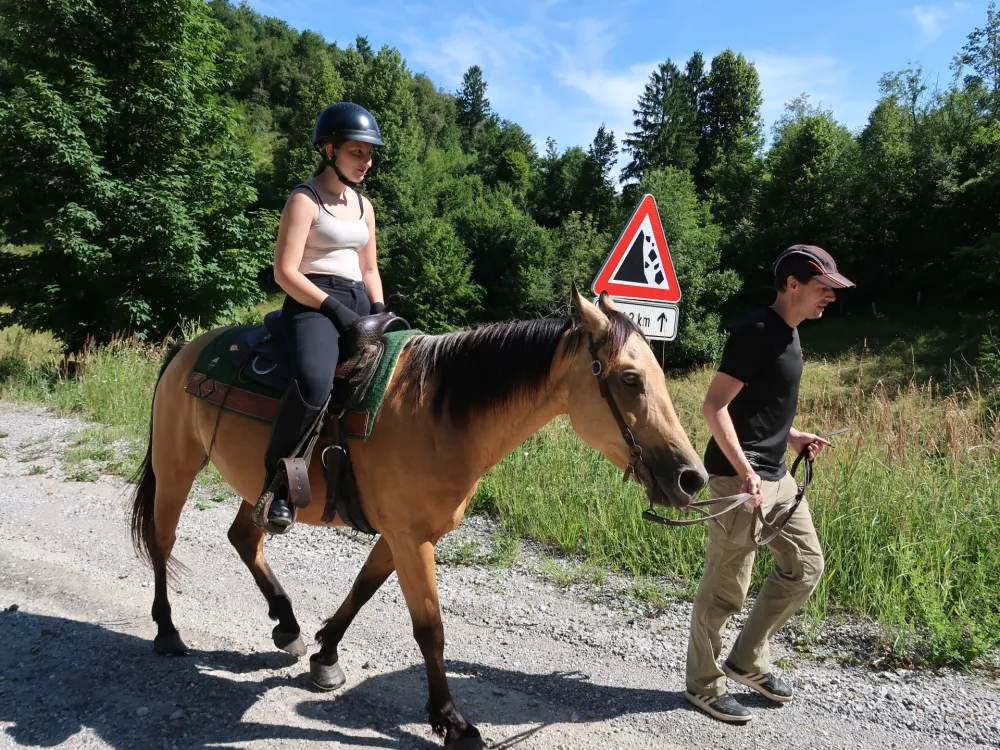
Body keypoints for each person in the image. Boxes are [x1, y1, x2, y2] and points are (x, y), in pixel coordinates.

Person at [684, 245, 856, 722]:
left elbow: (757, 405)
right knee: (726, 588)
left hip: (777, 475)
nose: (830, 297)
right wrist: (744, 471)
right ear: (792, 285)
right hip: (739, 481)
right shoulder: (757, 331)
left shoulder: (790, 333)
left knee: (806, 565)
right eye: (823, 288)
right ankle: (702, 684)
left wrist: (793, 436)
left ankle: (746, 660)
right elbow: (714, 406)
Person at [260, 102, 387, 529]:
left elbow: (369, 269)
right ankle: (277, 485)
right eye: (357, 152)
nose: (366, 162)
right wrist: (334, 309)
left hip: (359, 300)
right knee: (315, 381)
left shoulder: (364, 206)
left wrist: (381, 311)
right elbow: (285, 271)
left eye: (369, 153)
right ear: (330, 150)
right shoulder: (305, 199)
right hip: (312, 302)